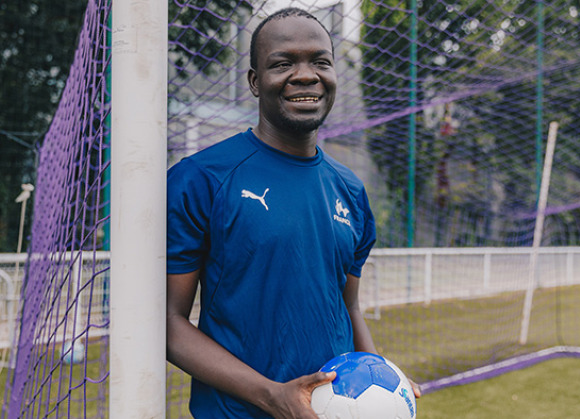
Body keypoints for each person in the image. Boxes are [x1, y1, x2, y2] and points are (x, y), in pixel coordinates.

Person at [166, 8, 419, 418]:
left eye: (320, 61)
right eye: (283, 64)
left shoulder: (351, 192)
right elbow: (168, 323)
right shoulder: (199, 180)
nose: (305, 75)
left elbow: (348, 306)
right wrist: (272, 396)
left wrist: (384, 380)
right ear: (254, 81)